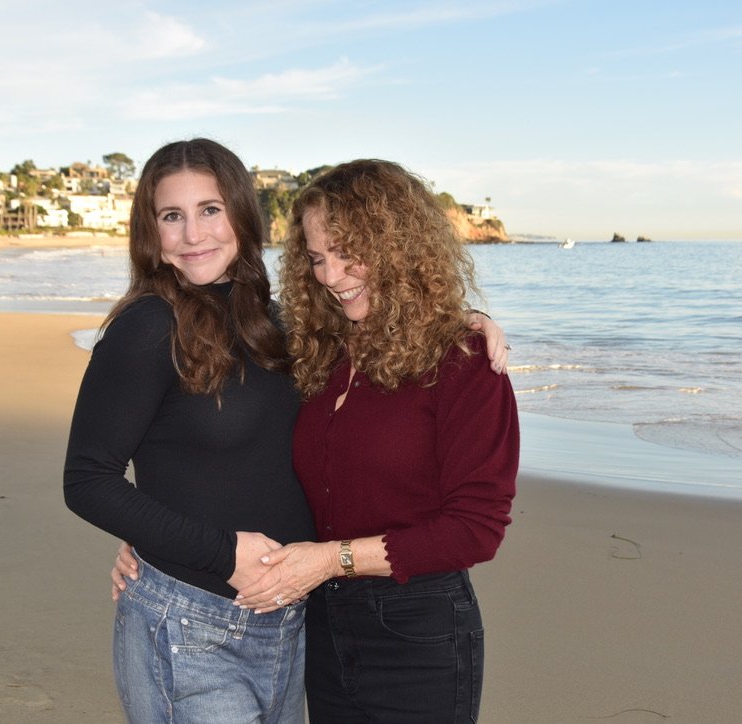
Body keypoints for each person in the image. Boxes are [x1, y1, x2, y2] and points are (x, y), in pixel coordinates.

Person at [68, 139, 509, 723]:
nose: (193, 234)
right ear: (150, 233)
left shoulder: (282, 328)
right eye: (171, 216)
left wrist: (464, 325)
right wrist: (187, 547)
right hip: (193, 622)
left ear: (242, 216)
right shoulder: (149, 326)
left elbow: (374, 374)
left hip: (298, 624)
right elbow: (88, 479)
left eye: (211, 210)